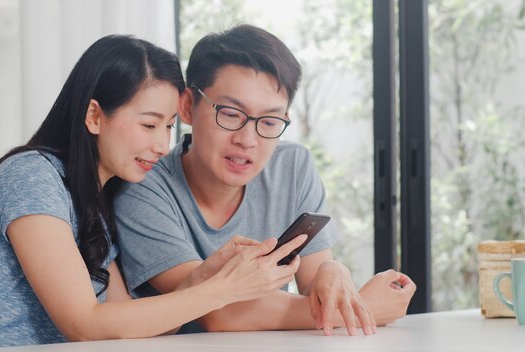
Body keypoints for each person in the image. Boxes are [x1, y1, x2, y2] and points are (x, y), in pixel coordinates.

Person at [0, 35, 309, 351]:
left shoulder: (92, 201)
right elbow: (85, 324)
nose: (163, 145)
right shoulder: (31, 177)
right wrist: (223, 291)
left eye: (168, 127)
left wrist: (206, 276)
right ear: (94, 116)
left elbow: (135, 325)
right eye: (148, 124)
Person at [114, 24, 416, 336]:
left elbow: (314, 284)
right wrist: (364, 307)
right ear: (189, 106)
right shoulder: (143, 185)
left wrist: (333, 271)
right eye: (231, 114)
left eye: (269, 121)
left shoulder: (293, 167)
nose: (247, 139)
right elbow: (215, 310)